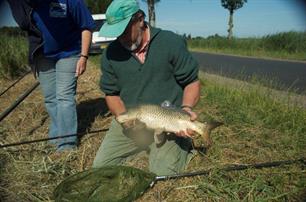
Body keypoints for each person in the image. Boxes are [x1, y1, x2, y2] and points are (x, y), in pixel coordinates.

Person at [93, 0, 201, 175]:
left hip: (169, 119)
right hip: (133, 120)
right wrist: (126, 120)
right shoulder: (110, 54)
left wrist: (186, 108)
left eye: (124, 30)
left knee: (162, 172)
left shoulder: (170, 42)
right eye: (116, 33)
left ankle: (183, 147)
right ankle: (145, 145)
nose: (120, 37)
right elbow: (111, 95)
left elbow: (192, 82)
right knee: (100, 168)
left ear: (140, 19)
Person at [7, 0, 95, 151]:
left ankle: (67, 144)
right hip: (42, 55)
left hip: (69, 53)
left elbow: (86, 26)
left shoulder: (72, 2)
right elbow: (24, 23)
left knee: (64, 97)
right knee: (50, 98)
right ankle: (56, 136)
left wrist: (84, 56)